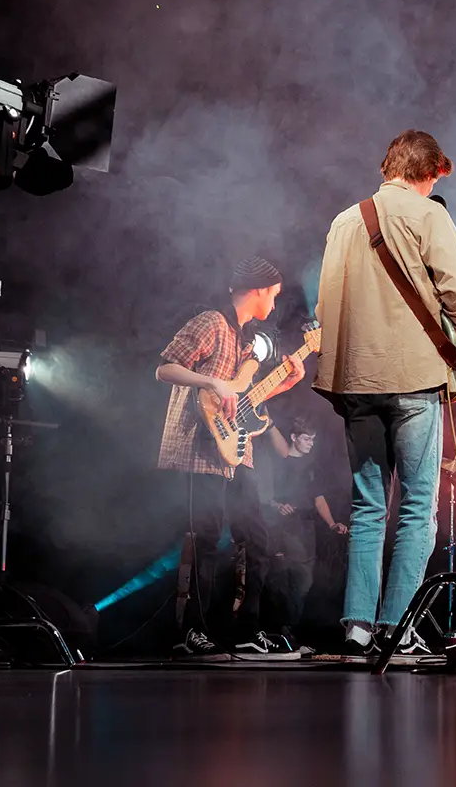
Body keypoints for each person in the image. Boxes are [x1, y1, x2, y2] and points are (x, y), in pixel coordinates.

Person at [313, 129, 456, 660]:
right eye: (433, 181)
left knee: (366, 506)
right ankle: (398, 627)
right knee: (417, 506)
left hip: (357, 380)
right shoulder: (429, 215)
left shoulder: (343, 220)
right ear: (426, 173)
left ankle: (358, 627)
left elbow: (326, 304)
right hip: (414, 378)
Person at [154, 256, 304, 657]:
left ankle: (246, 629)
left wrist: (285, 383)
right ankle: (191, 630)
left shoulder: (246, 338)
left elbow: (243, 400)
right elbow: (165, 369)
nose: (274, 303)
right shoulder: (211, 323)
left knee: (255, 537)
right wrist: (210, 381)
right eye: (272, 294)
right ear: (256, 290)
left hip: (236, 452)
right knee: (205, 537)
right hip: (200, 448)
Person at [257, 415, 345, 647]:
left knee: (304, 582)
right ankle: (277, 633)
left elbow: (318, 499)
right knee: (281, 581)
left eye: (313, 440)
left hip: (305, 531)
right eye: (307, 438)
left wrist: (332, 523)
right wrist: (277, 506)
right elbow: (262, 495)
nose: (310, 443)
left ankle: (291, 633)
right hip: (280, 529)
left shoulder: (311, 467)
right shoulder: (279, 461)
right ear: (294, 437)